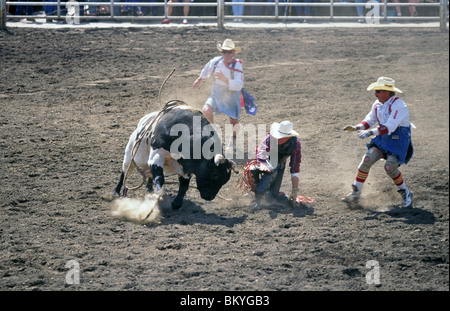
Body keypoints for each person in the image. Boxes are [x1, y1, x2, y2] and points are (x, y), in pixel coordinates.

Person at [342, 77, 414, 208]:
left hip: (398, 140)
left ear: (387, 92)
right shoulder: (377, 104)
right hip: (382, 138)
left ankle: (405, 192)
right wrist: (356, 127)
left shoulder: (399, 106)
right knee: (367, 159)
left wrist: (370, 132)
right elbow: (369, 120)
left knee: (389, 167)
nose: (375, 94)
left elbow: (390, 127)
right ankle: (355, 193)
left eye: (378, 91)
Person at [193, 39, 244, 148]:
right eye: (224, 51)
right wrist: (200, 79)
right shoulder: (216, 61)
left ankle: (234, 139)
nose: (226, 54)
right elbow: (206, 69)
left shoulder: (237, 65)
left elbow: (239, 85)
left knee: (234, 120)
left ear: (233, 53)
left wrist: (225, 79)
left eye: (229, 52)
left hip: (231, 95)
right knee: (206, 111)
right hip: (216, 93)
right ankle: (214, 134)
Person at [249, 121, 302, 208]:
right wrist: (263, 164)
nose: (278, 138)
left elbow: (295, 167)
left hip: (279, 164)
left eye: (281, 137)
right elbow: (262, 150)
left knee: (273, 194)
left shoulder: (295, 145)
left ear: (288, 137)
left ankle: (267, 193)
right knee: (256, 170)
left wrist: (294, 191)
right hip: (261, 161)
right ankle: (257, 197)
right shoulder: (271, 137)